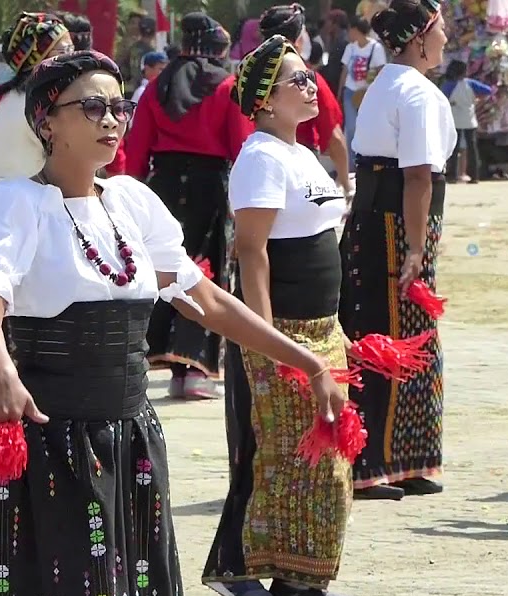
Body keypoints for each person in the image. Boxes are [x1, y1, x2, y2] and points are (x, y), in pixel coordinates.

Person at [0, 50, 347, 596]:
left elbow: (206, 300)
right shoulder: (14, 204)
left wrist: (306, 362)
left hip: (130, 436)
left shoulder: (132, 201)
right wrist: (0, 373)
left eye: (118, 106)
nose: (111, 120)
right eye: (92, 107)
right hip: (54, 440)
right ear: (47, 121)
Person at [203, 35, 357, 596]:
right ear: (265, 100)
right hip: (286, 329)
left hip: (320, 326)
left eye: (309, 75)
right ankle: (242, 569)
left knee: (321, 463)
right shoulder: (262, 156)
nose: (311, 85)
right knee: (281, 456)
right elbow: (252, 250)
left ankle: (300, 581)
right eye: (297, 79)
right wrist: (265, 339)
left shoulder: (301, 152)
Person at [342, 0, 452, 500]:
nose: (445, 39)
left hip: (375, 220)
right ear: (418, 38)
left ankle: (397, 460)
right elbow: (417, 177)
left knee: (385, 332)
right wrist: (414, 247)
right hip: (396, 227)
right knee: (398, 340)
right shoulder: (416, 92)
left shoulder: (385, 84)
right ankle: (375, 461)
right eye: (439, 30)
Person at [123, 13, 252, 400]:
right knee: (204, 271)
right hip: (209, 187)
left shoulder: (156, 86)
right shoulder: (227, 86)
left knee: (163, 268)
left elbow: (136, 148)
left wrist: (130, 193)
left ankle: (162, 358)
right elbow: (241, 146)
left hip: (162, 186)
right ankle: (196, 368)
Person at [260, 4, 353, 200]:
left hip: (259, 165)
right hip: (300, 169)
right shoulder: (309, 80)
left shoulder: (249, 80)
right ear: (299, 39)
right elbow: (335, 138)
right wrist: (346, 185)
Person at [0, 12, 73, 182]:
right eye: (65, 50)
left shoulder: (14, 98)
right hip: (25, 195)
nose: (73, 56)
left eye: (73, 48)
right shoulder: (36, 105)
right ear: (39, 61)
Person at [342, 18, 386, 161]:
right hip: (350, 91)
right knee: (351, 128)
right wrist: (339, 92)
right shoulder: (350, 48)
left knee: (367, 128)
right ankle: (351, 164)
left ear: (356, 30)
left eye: (350, 30)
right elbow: (344, 71)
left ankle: (365, 161)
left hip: (368, 94)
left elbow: (381, 71)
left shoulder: (376, 48)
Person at [442, 59, 492, 183]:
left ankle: (452, 176)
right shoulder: (471, 83)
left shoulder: (449, 85)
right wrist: (479, 100)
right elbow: (488, 90)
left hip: (454, 120)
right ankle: (474, 176)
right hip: (470, 120)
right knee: (472, 149)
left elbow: (441, 97)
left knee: (453, 149)